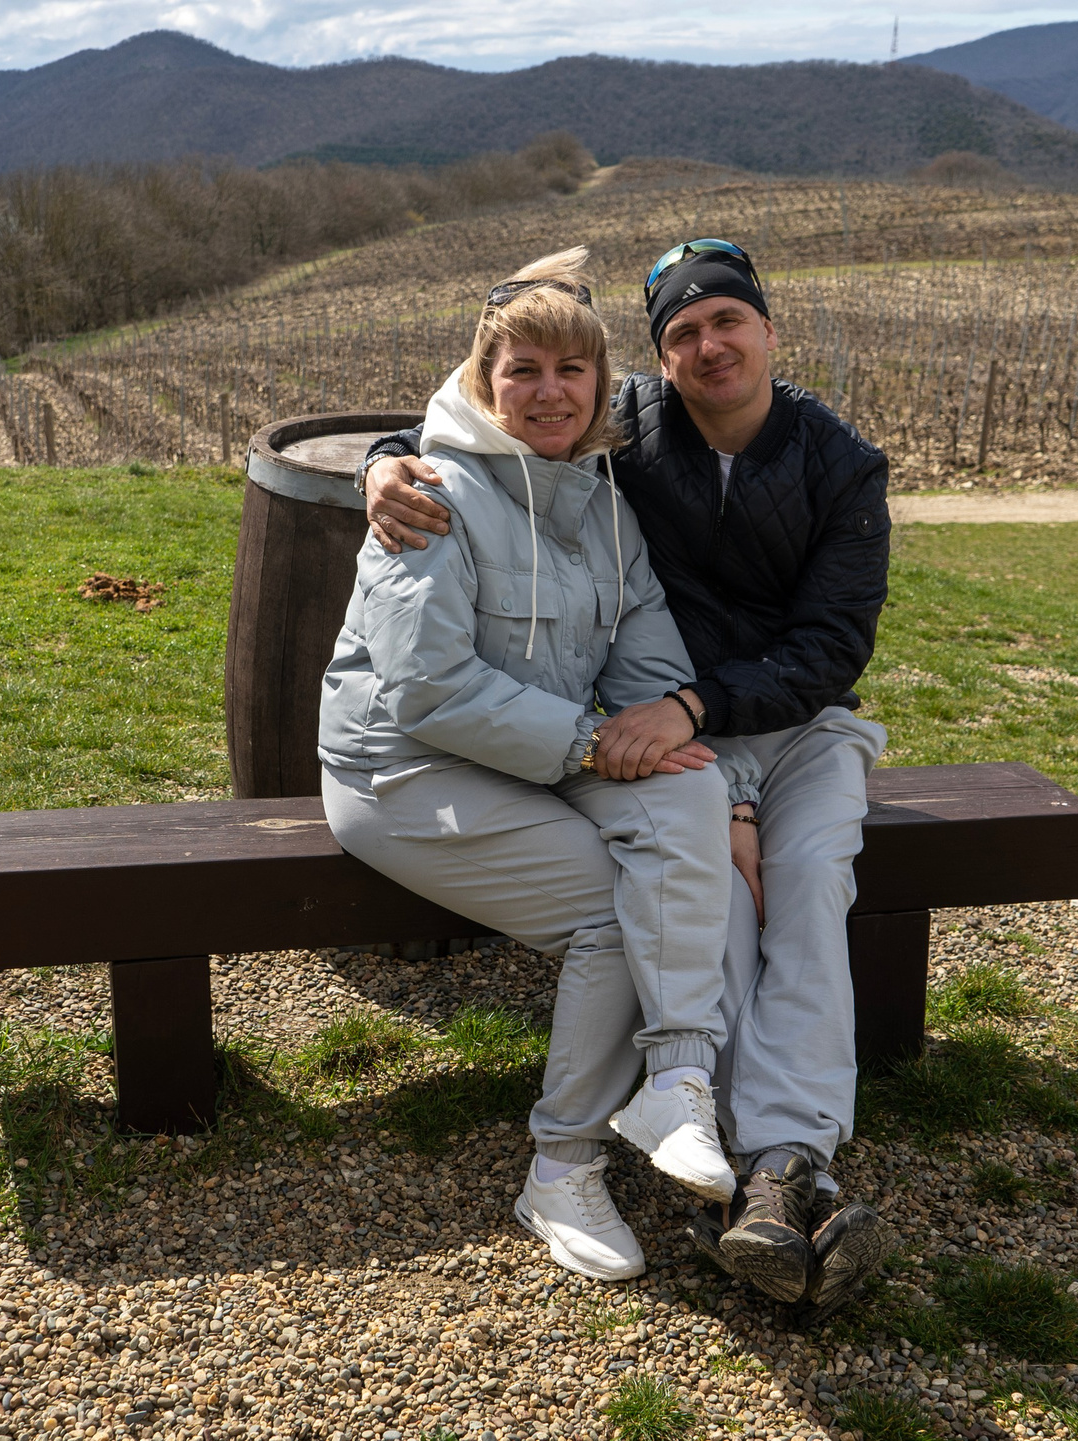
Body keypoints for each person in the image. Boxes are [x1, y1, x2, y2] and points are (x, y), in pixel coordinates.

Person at [358, 238, 895, 1314]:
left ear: (768, 330)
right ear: (657, 357)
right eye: (683, 332)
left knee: (809, 883)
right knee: (722, 905)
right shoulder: (629, 430)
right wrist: (383, 457)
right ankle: (731, 1146)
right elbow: (487, 403)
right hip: (651, 735)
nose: (708, 346)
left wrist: (706, 743)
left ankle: (786, 1160)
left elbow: (830, 648)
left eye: (726, 321)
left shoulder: (840, 463)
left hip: (777, 722)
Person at [318, 247, 751, 1285]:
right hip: (408, 771)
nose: (549, 391)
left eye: (572, 372)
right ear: (483, 379)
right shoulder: (426, 493)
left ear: (603, 387)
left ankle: (678, 1078)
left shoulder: (604, 507)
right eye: (524, 370)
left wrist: (687, 765)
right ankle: (560, 1165)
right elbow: (426, 690)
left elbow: (647, 666)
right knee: (611, 903)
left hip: (542, 746)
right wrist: (590, 744)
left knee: (689, 783)